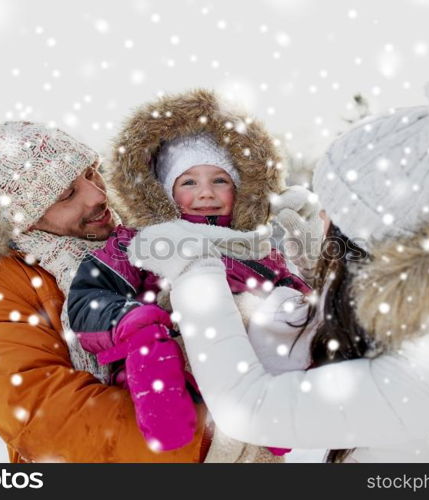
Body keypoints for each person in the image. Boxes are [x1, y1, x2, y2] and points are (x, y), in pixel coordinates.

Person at [125, 66, 429, 462]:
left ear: (369, 236)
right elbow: (330, 322)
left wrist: (195, 271)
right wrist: (306, 266)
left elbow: (250, 407)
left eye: (331, 212)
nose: (320, 219)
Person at [0, 111, 211, 462]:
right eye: (67, 193)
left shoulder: (147, 242)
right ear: (28, 218)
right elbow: (48, 418)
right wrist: (209, 435)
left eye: (92, 172)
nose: (97, 194)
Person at [78, 89, 316, 462]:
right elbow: (88, 297)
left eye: (220, 180)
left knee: (283, 314)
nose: (206, 193)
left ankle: (276, 415)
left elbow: (295, 293)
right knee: (155, 346)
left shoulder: (254, 246)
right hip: (174, 354)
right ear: (164, 191)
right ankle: (164, 409)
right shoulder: (140, 243)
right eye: (188, 182)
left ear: (240, 188)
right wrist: (133, 323)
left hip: (246, 370)